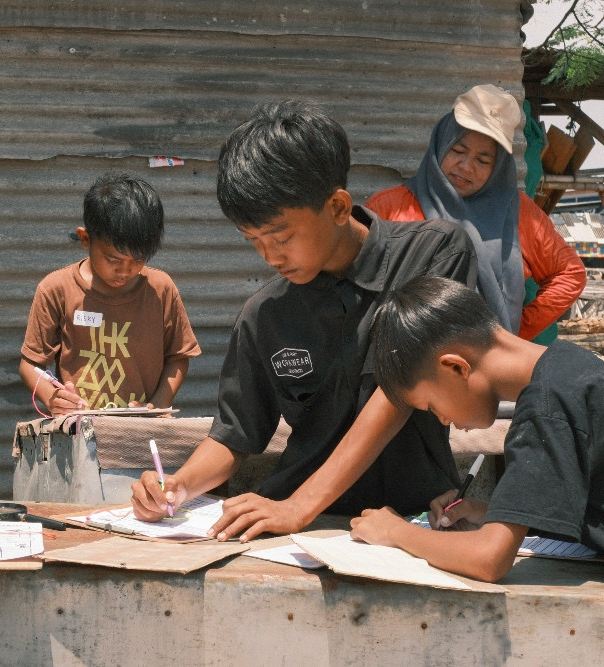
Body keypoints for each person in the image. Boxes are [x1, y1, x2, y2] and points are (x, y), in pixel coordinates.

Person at [131, 100, 479, 542]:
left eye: (281, 236)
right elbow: (236, 435)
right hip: (295, 533)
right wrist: (179, 485)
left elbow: (399, 392)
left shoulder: (435, 255)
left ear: (337, 207)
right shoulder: (265, 315)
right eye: (253, 241)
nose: (270, 256)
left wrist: (299, 506)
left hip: (415, 521)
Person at [350, 275, 604, 582]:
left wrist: (396, 532)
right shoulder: (578, 367)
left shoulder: (546, 405)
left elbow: (489, 561)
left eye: (432, 406)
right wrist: (493, 512)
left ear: (455, 367)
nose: (443, 420)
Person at [366, 84, 585, 342]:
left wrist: (516, 332)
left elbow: (571, 273)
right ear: (441, 143)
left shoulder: (518, 213)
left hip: (485, 372)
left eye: (483, 160)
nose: (467, 167)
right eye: (458, 151)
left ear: (498, 166)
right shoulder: (390, 207)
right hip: (402, 364)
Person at [20, 172, 201, 415]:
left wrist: (157, 404)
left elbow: (178, 357)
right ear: (85, 239)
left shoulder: (160, 289)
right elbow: (30, 364)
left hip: (141, 430)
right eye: (113, 259)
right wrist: (54, 399)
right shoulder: (56, 289)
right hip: (79, 428)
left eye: (138, 260)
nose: (125, 270)